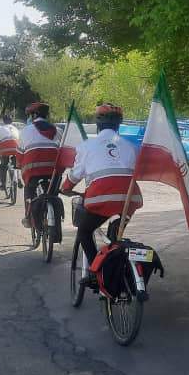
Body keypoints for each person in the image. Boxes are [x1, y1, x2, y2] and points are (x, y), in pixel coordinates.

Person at [60, 103, 142, 269]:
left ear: (98, 124)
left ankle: (95, 271)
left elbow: (75, 175)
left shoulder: (86, 146)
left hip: (100, 199)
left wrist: (65, 188)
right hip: (129, 199)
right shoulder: (132, 147)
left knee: (84, 231)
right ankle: (116, 266)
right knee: (115, 238)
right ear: (118, 125)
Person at [18, 102, 60, 227]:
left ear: (34, 115)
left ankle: (29, 218)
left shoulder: (25, 131)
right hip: (53, 171)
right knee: (53, 193)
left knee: (29, 190)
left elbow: (19, 154)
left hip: (33, 171)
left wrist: (18, 164)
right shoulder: (58, 130)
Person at [0, 114, 20, 191]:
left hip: (5, 150)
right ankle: (19, 179)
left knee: (3, 166)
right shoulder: (16, 129)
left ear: (3, 121)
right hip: (16, 149)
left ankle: (3, 184)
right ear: (12, 121)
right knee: (17, 165)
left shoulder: (0, 129)